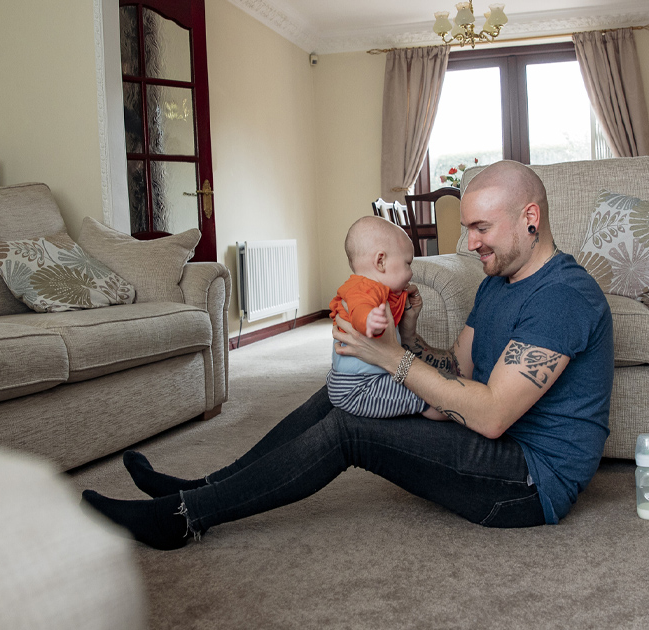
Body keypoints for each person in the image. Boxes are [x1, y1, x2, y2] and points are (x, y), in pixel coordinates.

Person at [82, 161, 614, 550]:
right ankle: (204, 487)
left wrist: (389, 359)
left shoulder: (563, 297)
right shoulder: (497, 283)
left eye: (480, 228)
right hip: (484, 438)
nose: (468, 242)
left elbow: (493, 415)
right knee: (344, 393)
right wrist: (407, 338)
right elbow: (461, 370)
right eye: (466, 227)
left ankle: (183, 517)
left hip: (528, 483)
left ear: (529, 217)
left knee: (350, 428)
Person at [326, 215, 445, 420]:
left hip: (366, 378)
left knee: (426, 383)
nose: (411, 272)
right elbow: (360, 310)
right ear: (381, 261)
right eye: (408, 263)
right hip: (360, 385)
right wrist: (370, 320)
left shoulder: (385, 291)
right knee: (430, 398)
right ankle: (453, 418)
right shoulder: (362, 288)